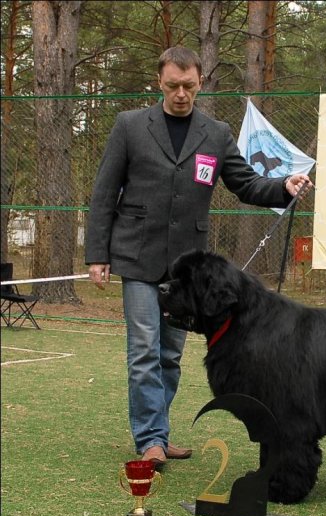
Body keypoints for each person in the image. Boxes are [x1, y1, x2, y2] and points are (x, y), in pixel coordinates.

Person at [85, 46, 312, 467]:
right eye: (172, 86)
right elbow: (103, 194)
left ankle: (159, 430)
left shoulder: (215, 132)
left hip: (186, 271)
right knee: (143, 352)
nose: (181, 94)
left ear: (200, 82)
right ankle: (150, 438)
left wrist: (283, 187)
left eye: (189, 86)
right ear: (160, 82)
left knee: (170, 355)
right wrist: (98, 253)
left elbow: (246, 184)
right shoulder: (129, 126)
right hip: (136, 257)